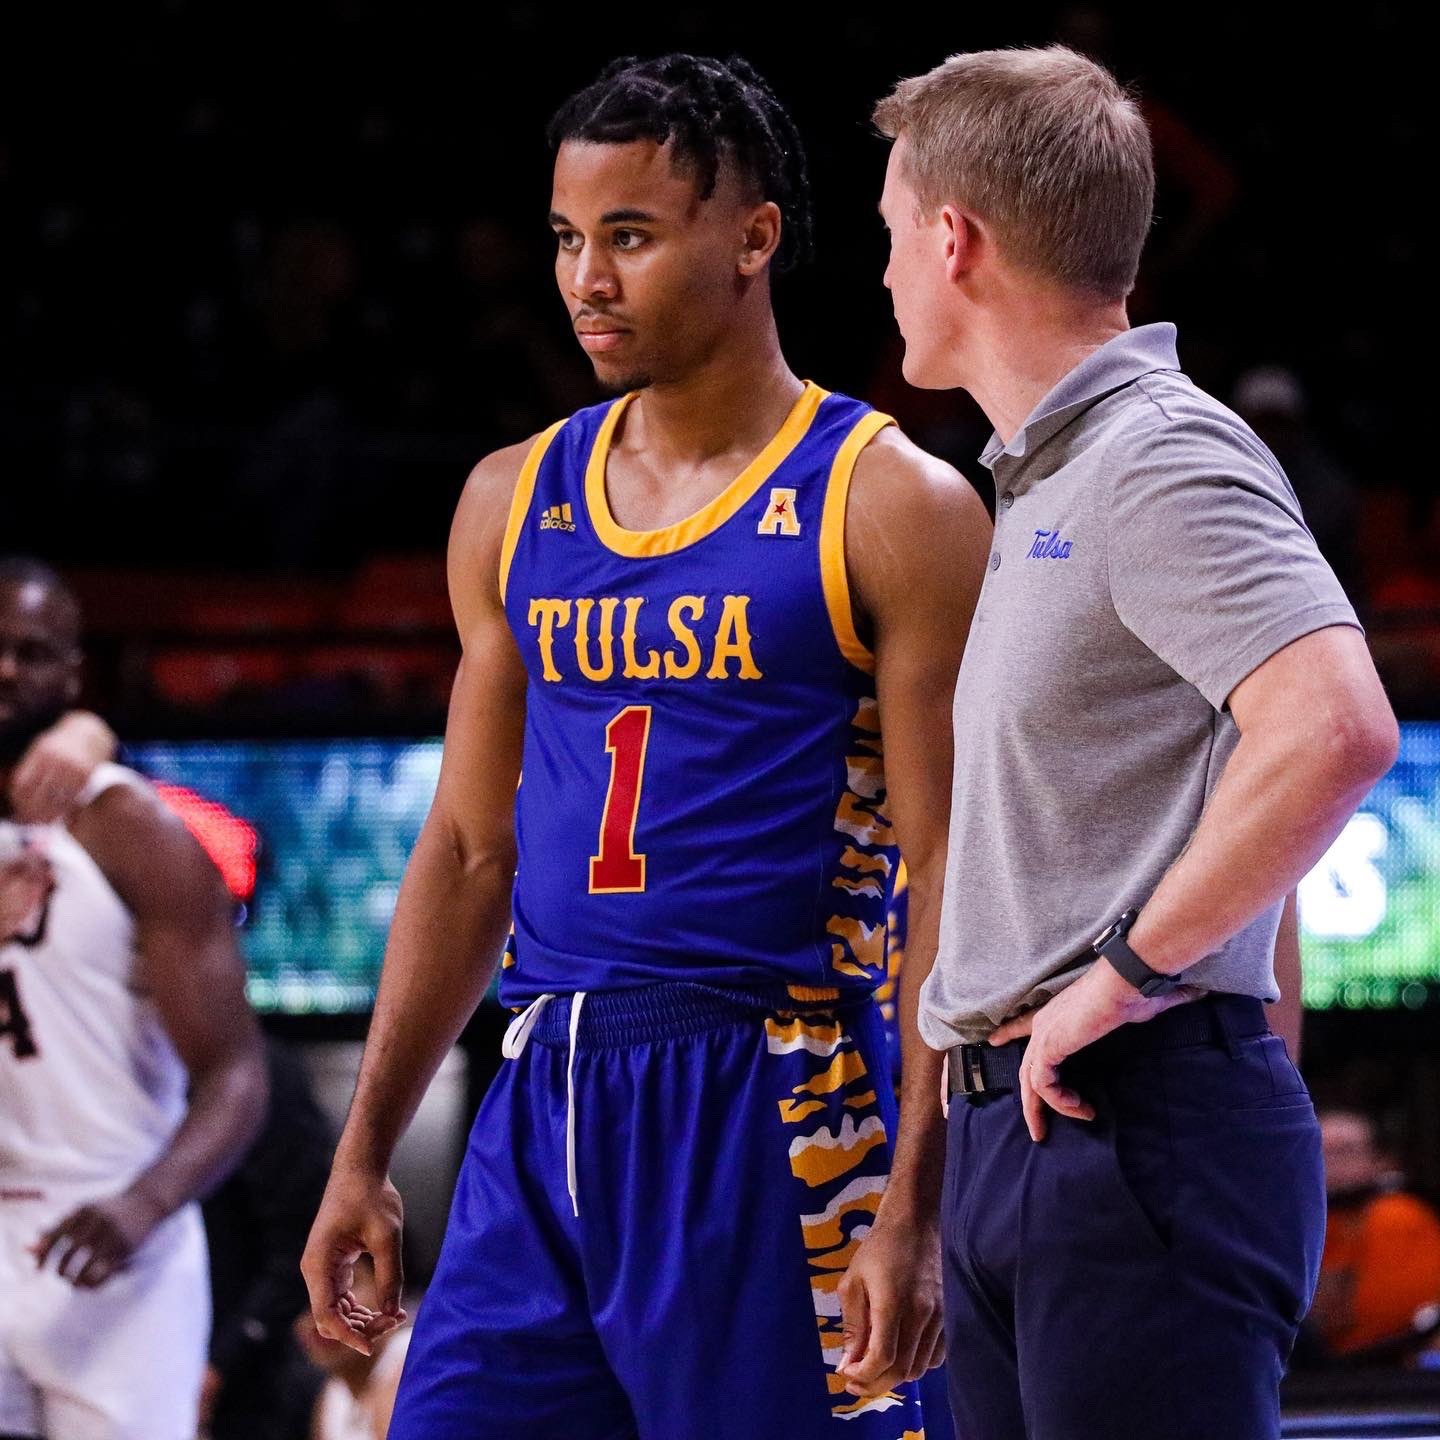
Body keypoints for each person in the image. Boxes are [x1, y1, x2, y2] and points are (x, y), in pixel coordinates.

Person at [302, 53, 991, 1440]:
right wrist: (362, 1152)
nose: (586, 280)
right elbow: (468, 847)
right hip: (543, 1080)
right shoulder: (512, 497)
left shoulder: (890, 503)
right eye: (568, 238)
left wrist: (918, 1197)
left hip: (772, 1086)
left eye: (629, 235)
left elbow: (953, 878)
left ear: (753, 236)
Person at [872, 45, 1398, 1440]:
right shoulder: (1051, 474)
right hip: (1033, 1128)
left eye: (889, 233)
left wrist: (1122, 978)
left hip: (1126, 1119)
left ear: (953, 240)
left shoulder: (1159, 454)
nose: (883, 275)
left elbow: (1337, 727)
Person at [0, 556, 268, 1440]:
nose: (7, 669)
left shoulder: (129, 826)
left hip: (112, 1229)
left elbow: (236, 1073)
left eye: (33, 652)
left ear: (72, 672)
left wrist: (145, 1205)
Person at [1309, 1107, 1440, 1360]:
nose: (1330, 1163)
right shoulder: (1298, 1219)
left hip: (1381, 1362)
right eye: (1319, 1151)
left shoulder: (1397, 1214)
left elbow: (1394, 1314)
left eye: (1344, 1151)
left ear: (1380, 1159)